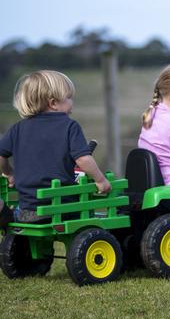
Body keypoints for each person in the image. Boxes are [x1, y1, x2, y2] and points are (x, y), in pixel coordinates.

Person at [0, 70, 111, 224]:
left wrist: (9, 172)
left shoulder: (17, 128)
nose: (72, 102)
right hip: (65, 210)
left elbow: (1, 155)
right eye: (69, 98)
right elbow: (83, 159)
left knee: (17, 212)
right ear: (53, 103)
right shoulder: (70, 126)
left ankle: (6, 214)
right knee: (87, 212)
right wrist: (100, 180)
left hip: (28, 212)